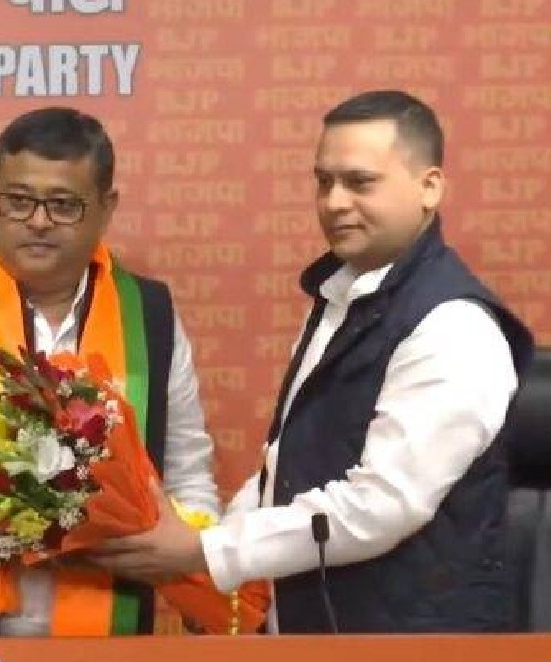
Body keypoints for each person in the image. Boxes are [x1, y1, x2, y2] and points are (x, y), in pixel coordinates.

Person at [89, 90, 534, 633]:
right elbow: (285, 466)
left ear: (430, 187)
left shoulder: (452, 325)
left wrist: (208, 551)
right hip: (320, 640)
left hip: (414, 652)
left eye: (360, 182)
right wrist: (211, 573)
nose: (335, 202)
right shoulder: (340, 298)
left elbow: (382, 505)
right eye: (324, 182)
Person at [0, 106, 220, 636]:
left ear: (106, 207)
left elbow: (186, 473)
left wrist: (192, 567)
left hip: (104, 633)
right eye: (19, 201)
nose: (39, 221)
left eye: (63, 205)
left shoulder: (151, 314)